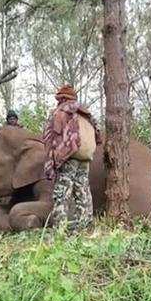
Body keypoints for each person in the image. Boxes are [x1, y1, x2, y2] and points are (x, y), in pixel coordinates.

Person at [42, 84, 101, 232]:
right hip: (85, 156)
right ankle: (84, 227)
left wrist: (52, 159)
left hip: (68, 156)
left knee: (62, 193)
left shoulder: (61, 112)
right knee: (83, 192)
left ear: (62, 98)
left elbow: (51, 136)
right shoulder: (85, 113)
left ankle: (59, 230)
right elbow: (98, 136)